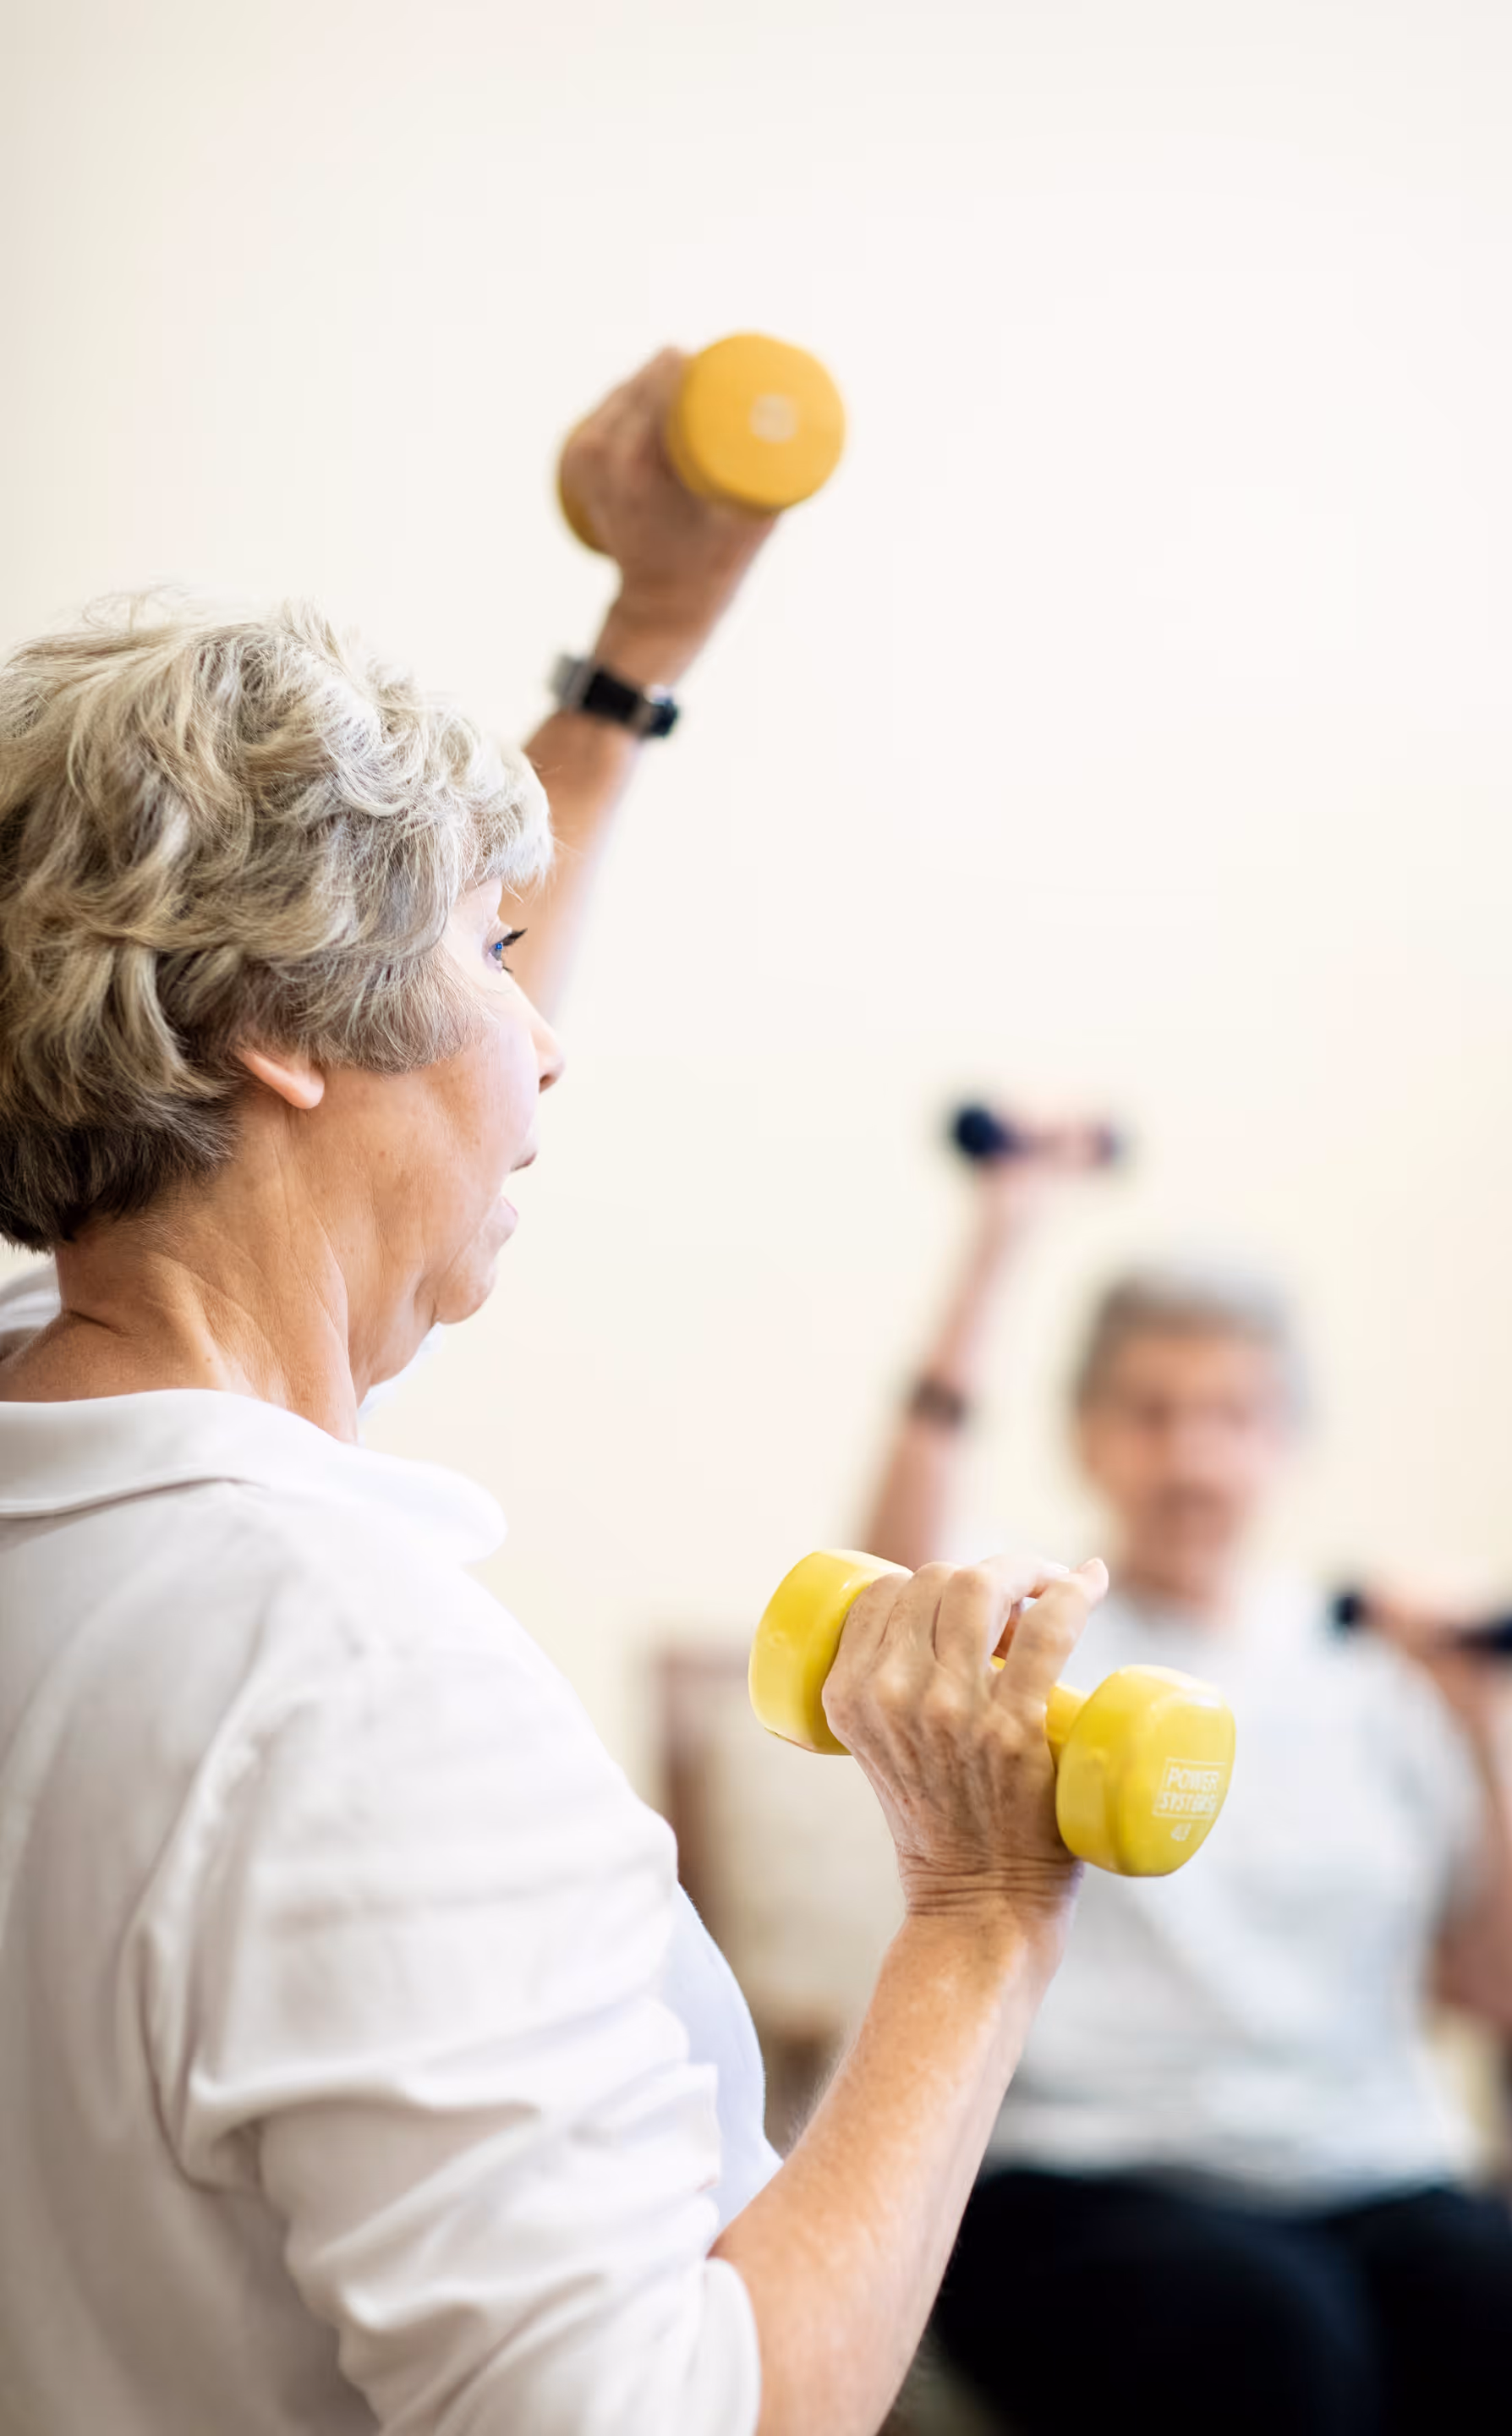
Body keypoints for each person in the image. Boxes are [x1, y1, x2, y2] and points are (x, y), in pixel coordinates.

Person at [0, 359, 1110, 2436]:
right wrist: (977, 1920)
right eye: (490, 952)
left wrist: (642, 649)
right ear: (276, 1030)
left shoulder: (63, 1490)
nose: (543, 1039)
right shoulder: (344, 1687)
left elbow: (365, 1022)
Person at [862, 1130, 1512, 2436]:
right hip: (1091, 2179)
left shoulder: (1376, 1670)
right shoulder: (1041, 1641)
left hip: (1368, 2173)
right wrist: (1004, 1234)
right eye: (1151, 1413)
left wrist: (1498, 1732)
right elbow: (881, 1593)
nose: (1194, 1455)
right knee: (1270, 2338)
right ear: (1089, 1437)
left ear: (1290, 1441)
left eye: (1233, 1415)